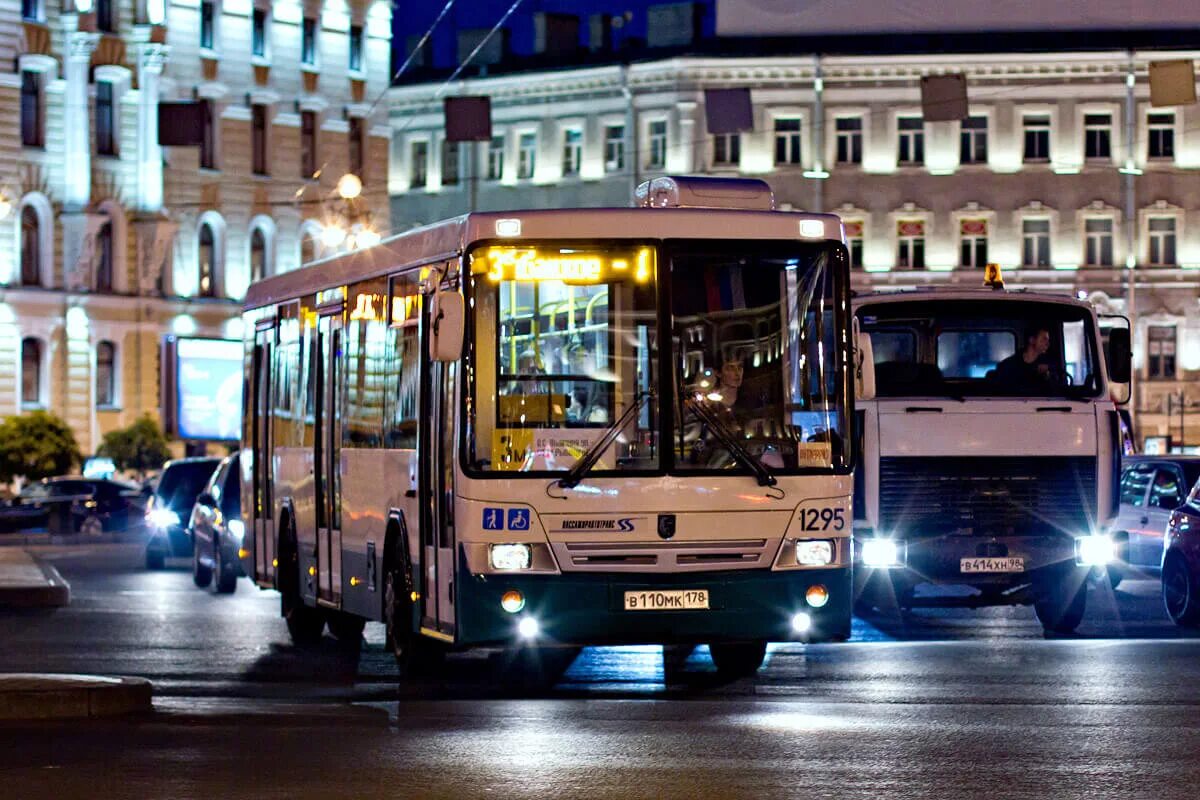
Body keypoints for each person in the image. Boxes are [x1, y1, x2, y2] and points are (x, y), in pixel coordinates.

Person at [994, 325, 1060, 391]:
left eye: (1048, 340)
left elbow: (1057, 390)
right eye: (1044, 339)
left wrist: (1047, 376)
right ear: (1032, 340)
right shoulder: (1007, 365)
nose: (1048, 343)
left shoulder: (1049, 365)